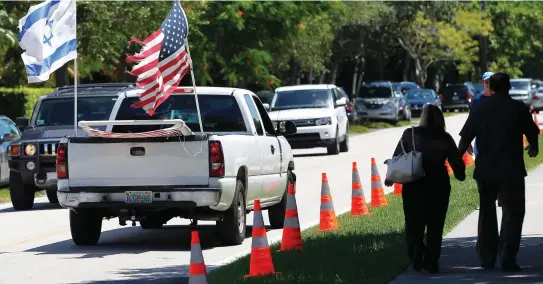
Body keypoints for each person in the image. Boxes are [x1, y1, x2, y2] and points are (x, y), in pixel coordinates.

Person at [457, 72, 539, 272]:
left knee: (487, 213)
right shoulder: (517, 108)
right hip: (512, 171)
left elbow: (465, 137)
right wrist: (533, 147)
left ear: (490, 88)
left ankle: (487, 257)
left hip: (485, 170)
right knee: (513, 213)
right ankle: (507, 257)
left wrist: (456, 161)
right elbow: (532, 132)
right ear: (509, 87)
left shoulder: (479, 108)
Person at [384, 104, 466, 274]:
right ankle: (432, 260)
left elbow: (398, 156)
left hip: (415, 184)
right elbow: (457, 163)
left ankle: (416, 252)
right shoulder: (445, 137)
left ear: (422, 117)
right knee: (436, 224)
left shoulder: (410, 134)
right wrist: (460, 174)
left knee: (414, 222)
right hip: (439, 185)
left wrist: (390, 178)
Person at [468, 71, 494, 157]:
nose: (489, 84)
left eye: (492, 82)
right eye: (487, 82)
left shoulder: (500, 99)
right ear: (482, 83)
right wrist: (467, 142)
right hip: (480, 142)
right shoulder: (477, 100)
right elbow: (471, 122)